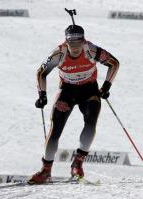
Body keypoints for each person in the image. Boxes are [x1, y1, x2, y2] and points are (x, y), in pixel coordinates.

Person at [28, 24, 119, 184]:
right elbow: (41, 72)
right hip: (67, 91)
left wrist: (106, 87)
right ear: (66, 42)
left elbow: (114, 63)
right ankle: (46, 170)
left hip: (89, 90)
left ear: (83, 41)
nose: (75, 48)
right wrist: (42, 95)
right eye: (72, 44)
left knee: (91, 122)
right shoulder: (59, 53)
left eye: (78, 44)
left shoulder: (91, 49)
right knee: (55, 129)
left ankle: (78, 163)